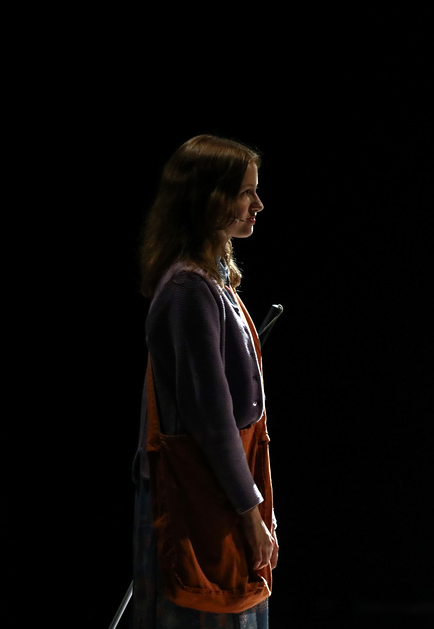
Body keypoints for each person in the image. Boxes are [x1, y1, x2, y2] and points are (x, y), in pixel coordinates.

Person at [131, 134, 277, 628]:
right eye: (245, 192)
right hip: (204, 492)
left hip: (226, 485)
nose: (258, 204)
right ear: (208, 198)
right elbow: (211, 420)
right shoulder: (188, 288)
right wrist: (250, 512)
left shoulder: (213, 282)